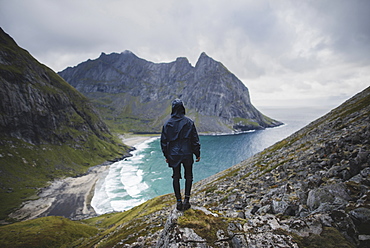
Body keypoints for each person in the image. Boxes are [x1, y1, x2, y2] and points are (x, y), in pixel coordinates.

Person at [160, 99, 201, 211]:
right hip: (187, 153)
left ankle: (178, 201)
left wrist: (166, 156)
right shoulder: (189, 122)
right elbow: (195, 140)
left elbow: (164, 142)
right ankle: (186, 200)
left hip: (173, 154)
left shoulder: (167, 124)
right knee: (189, 176)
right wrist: (197, 153)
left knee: (176, 176)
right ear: (182, 108)